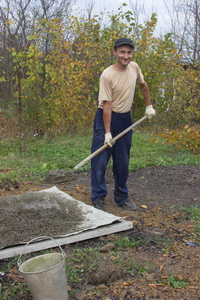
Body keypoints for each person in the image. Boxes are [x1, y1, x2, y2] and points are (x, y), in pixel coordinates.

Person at [91, 37, 155, 212]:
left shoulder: (134, 67)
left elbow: (143, 85)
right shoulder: (107, 75)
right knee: (100, 160)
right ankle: (98, 197)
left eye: (129, 52)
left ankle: (121, 197)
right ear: (114, 52)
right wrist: (107, 133)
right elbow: (107, 105)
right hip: (106, 117)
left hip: (125, 118)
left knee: (122, 160)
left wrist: (149, 106)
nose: (126, 56)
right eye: (122, 52)